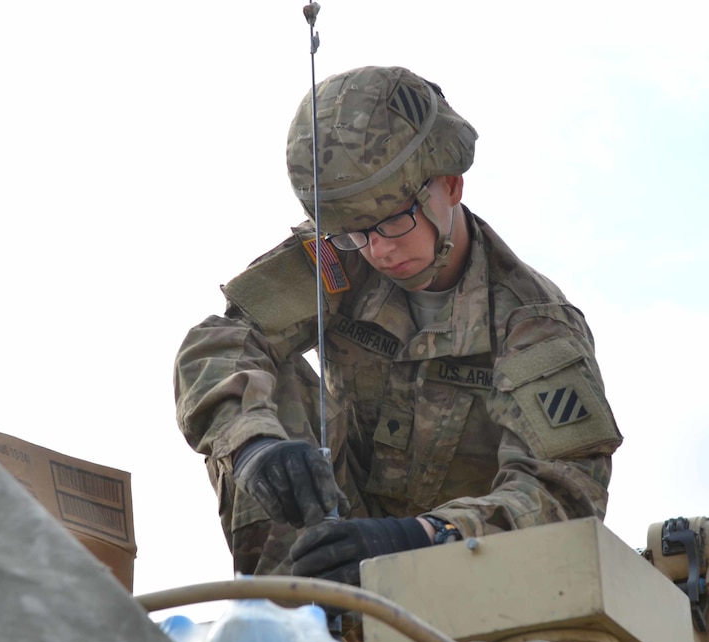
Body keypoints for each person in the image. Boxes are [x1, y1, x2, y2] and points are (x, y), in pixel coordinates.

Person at [174, 65, 621, 588]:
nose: (379, 248)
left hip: (464, 575)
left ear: (450, 185)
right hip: (329, 547)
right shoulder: (340, 255)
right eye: (354, 232)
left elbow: (563, 490)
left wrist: (417, 538)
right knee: (258, 407)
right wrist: (255, 448)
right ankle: (296, 626)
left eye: (393, 222)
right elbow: (220, 343)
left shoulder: (532, 323)